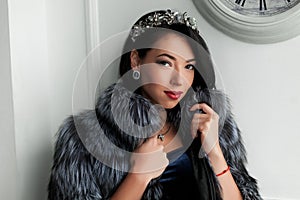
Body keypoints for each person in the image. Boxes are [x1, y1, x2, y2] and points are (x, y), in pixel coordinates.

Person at [48, 9, 262, 200]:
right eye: (165, 63)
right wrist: (138, 177)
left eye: (189, 67)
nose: (179, 79)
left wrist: (214, 152)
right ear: (136, 60)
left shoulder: (212, 125)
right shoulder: (85, 137)